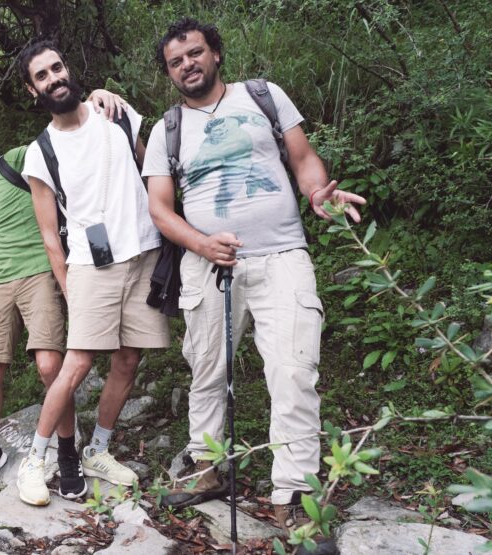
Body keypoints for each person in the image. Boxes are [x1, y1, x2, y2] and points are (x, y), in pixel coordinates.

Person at [143, 17, 365, 539]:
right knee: (206, 371)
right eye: (176, 62)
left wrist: (317, 195)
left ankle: (294, 496)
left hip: (283, 253)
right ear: (169, 74)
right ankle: (206, 467)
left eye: (195, 54)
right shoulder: (166, 129)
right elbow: (159, 207)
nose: (187, 65)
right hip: (208, 266)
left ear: (216, 54)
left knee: (293, 370)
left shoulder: (263, 97)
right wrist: (201, 243)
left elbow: (304, 158)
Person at [14, 41, 171, 506]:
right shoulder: (40, 153)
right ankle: (35, 461)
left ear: (69, 68)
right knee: (77, 364)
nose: (53, 78)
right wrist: (67, 286)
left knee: (128, 360)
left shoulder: (118, 115)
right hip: (89, 266)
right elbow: (49, 235)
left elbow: (155, 173)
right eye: (42, 75)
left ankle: (98, 451)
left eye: (57, 67)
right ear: (32, 89)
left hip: (144, 254)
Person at [0, 106, 123, 496]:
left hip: (41, 271)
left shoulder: (16, 160)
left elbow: (61, 133)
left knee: (49, 366)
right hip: (1, 282)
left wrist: (93, 100)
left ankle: (69, 454)